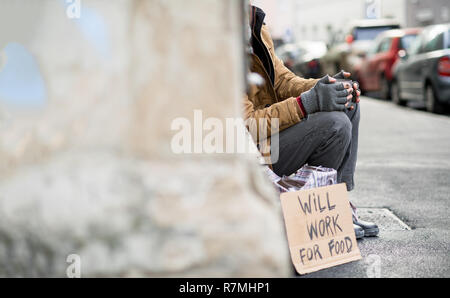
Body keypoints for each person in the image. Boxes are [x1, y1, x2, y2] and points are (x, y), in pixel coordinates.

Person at [244, 5, 378, 238]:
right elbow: (244, 127)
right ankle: (318, 213)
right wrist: (306, 103)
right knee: (335, 124)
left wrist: (323, 87)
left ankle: (338, 203)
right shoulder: (217, 38)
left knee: (346, 103)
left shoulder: (254, 20)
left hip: (268, 138)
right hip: (248, 154)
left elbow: (283, 81)